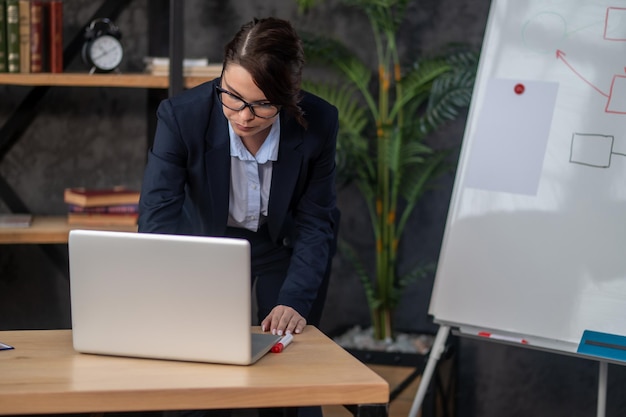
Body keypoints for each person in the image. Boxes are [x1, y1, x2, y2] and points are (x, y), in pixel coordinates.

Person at [138, 17, 339, 344]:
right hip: (208, 245)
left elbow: (315, 220)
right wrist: (166, 288)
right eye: (232, 96)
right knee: (205, 352)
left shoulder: (320, 121)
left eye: (262, 104)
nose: (244, 117)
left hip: (285, 246)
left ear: (288, 96)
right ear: (222, 76)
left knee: (289, 356)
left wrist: (294, 300)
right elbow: (157, 214)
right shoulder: (180, 117)